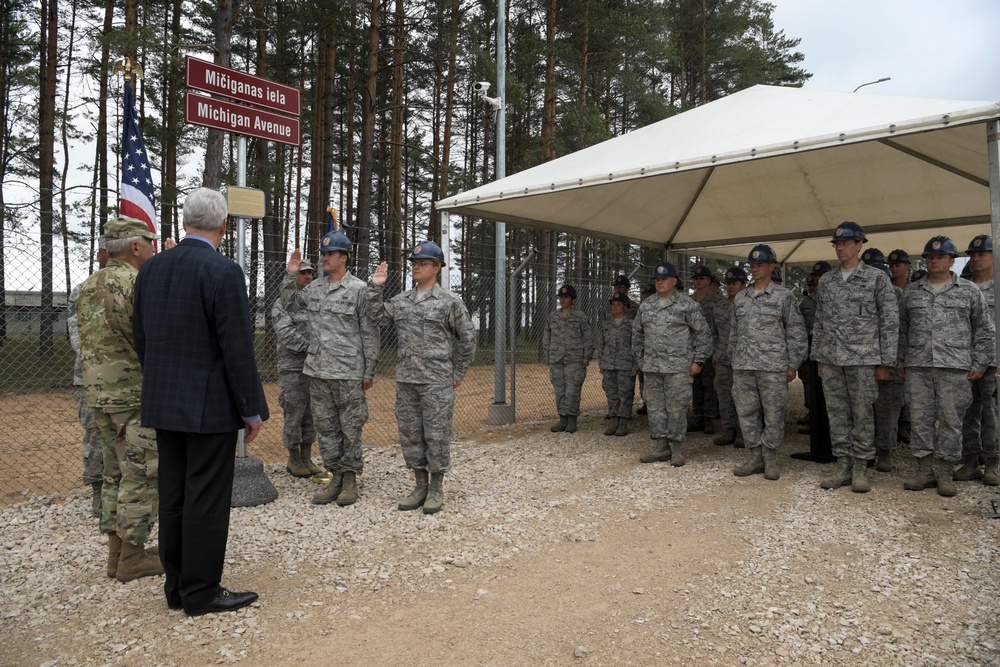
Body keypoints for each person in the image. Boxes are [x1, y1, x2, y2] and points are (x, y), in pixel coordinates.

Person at [134, 187, 268, 616]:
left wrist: (160, 380)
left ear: (184, 222)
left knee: (174, 494)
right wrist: (251, 408)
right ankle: (200, 591)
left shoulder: (151, 269)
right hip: (209, 407)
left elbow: (142, 338)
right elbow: (237, 347)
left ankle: (177, 587)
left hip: (164, 400)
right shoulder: (223, 271)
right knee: (206, 498)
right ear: (224, 226)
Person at [77, 217, 163, 583]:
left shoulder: (88, 285)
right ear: (135, 247)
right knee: (141, 475)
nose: (154, 248)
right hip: (133, 395)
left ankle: (116, 555)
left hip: (98, 395)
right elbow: (151, 337)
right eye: (150, 242)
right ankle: (132, 557)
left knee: (112, 474)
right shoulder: (136, 283)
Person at [370, 241, 476, 514]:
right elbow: (375, 317)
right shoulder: (402, 301)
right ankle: (419, 485)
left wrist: (458, 371)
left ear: (437, 268)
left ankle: (436, 487)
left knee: (436, 435)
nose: (417, 267)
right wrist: (376, 287)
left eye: (423, 263)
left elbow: (467, 338)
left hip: (436, 382)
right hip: (407, 380)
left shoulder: (449, 303)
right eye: (414, 263)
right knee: (411, 435)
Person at [283, 231, 379, 506]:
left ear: (344, 257)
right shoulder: (314, 289)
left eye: (331, 254)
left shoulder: (360, 290)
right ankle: (334, 475)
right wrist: (291, 275)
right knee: (325, 428)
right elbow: (289, 303)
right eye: (323, 254)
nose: (325, 258)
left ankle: (350, 480)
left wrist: (369, 369)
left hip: (348, 371)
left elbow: (370, 332)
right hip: (318, 371)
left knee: (350, 427)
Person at [898, 236, 994, 497]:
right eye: (930, 257)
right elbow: (902, 331)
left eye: (940, 257)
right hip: (918, 366)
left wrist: (980, 363)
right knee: (920, 420)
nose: (935, 260)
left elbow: (985, 330)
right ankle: (924, 470)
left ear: (952, 261)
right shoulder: (912, 292)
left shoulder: (969, 291)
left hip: (955, 368)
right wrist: (900, 361)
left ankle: (945, 472)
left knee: (952, 422)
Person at [812, 221, 898, 493]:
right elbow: (820, 322)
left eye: (846, 243)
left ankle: (861, 468)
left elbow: (889, 321)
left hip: (863, 359)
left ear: (859, 245)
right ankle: (843, 466)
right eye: (837, 244)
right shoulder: (827, 281)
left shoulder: (876, 278)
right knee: (837, 414)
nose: (840, 248)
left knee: (862, 414)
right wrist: (819, 359)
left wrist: (885, 361)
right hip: (832, 359)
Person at [729, 245, 808, 480]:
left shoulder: (784, 296)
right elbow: (734, 334)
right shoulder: (741, 298)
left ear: (771, 266)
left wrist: (792, 364)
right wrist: (734, 360)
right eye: (752, 265)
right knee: (746, 413)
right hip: (744, 367)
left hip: (773, 367)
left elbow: (796, 333)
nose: (755, 269)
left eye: (760, 265)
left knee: (773, 414)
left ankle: (771, 457)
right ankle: (754, 458)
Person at [633, 261, 712, 466]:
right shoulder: (646, 306)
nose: (660, 282)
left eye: (664, 278)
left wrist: (699, 361)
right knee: (656, 407)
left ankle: (676, 448)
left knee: (677, 408)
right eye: (657, 279)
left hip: (678, 368)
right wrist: (641, 360)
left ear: (674, 281)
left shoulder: (687, 305)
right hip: (652, 368)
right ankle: (661, 447)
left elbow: (703, 333)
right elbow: (636, 335)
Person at [67, 236, 109, 517]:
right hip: (91, 377)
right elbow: (78, 337)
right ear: (101, 254)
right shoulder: (83, 290)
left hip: (131, 379)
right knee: (95, 436)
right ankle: (98, 493)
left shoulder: (137, 285)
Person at [271, 259, 323, 478]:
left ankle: (306, 456)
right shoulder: (281, 304)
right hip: (293, 367)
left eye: (311, 273)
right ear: (294, 276)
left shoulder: (314, 301)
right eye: (303, 273)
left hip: (314, 367)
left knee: (311, 412)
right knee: (295, 411)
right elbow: (287, 335)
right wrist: (314, 349)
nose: (308, 277)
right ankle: (293, 458)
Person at [955, 235, 999, 485]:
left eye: (982, 253)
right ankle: (971, 460)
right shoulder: (963, 287)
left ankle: (993, 462)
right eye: (972, 254)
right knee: (968, 413)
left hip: (994, 363)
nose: (975, 258)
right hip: (964, 361)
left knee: (992, 414)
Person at [542, 284, 594, 434]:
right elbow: (547, 337)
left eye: (566, 297)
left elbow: (587, 337)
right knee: (559, 390)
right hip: (557, 359)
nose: (563, 299)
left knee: (572, 390)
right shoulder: (553, 316)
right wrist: (548, 355)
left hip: (575, 360)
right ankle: (562, 419)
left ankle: (572, 420)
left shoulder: (580, 316)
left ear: (573, 299)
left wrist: (586, 356)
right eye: (561, 297)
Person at [711, 266, 747, 447]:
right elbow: (714, 333)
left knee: (743, 397)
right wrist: (716, 355)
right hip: (724, 359)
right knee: (724, 395)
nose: (731, 287)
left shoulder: (749, 304)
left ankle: (743, 432)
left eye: (735, 283)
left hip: (744, 359)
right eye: (728, 284)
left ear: (744, 285)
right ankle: (728, 430)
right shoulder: (720, 306)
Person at [797, 261, 831, 434]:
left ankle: (828, 423)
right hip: (810, 346)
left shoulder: (836, 295)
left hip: (831, 348)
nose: (817, 279)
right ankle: (814, 417)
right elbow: (798, 326)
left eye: (821, 275)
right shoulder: (806, 302)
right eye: (815, 277)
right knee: (810, 383)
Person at [689, 265, 724, 434]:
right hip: (692, 350)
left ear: (709, 281)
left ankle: (709, 418)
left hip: (710, 349)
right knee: (695, 385)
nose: (698, 281)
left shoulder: (718, 300)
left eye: (702, 278)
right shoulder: (688, 301)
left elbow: (720, 328)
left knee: (709, 384)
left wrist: (717, 351)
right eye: (696, 279)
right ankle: (697, 417)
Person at [600, 293, 637, 436]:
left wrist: (635, 365)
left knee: (625, 394)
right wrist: (602, 363)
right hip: (609, 364)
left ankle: (623, 422)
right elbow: (602, 345)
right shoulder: (606, 324)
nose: (615, 307)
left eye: (618, 304)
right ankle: (614, 420)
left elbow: (636, 345)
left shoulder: (631, 325)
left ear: (625, 307)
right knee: (611, 393)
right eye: (613, 304)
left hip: (625, 365)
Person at [636, 283, 657, 416]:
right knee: (643, 380)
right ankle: (646, 403)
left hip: (658, 354)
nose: (648, 297)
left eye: (650, 294)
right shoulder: (642, 309)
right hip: (645, 353)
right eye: (646, 295)